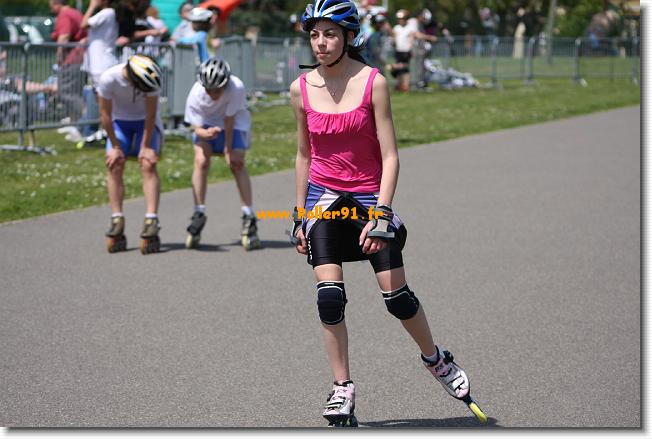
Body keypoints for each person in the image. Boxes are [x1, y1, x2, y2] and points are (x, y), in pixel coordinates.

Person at [289, 0, 487, 427]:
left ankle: (436, 359)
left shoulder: (373, 83)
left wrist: (381, 214)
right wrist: (299, 215)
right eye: (314, 35)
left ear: (348, 37)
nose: (321, 43)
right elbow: (304, 155)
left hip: (367, 198)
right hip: (323, 200)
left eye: (330, 34)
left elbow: (390, 155)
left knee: (397, 299)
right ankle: (342, 387)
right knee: (329, 298)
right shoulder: (300, 88)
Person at [183, 57, 260, 250]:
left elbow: (229, 119)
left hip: (235, 124)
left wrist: (228, 148)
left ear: (225, 84)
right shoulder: (196, 93)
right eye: (209, 90)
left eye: (217, 90)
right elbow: (194, 127)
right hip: (206, 124)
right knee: (201, 161)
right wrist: (204, 133)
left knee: (236, 163)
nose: (213, 94)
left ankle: (248, 214)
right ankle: (198, 212)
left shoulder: (236, 87)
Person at [97, 54, 164, 255]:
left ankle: (151, 219)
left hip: (145, 123)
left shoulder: (152, 79)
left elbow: (151, 114)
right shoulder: (109, 78)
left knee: (148, 163)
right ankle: (117, 218)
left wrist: (146, 146)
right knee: (115, 163)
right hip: (119, 124)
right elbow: (105, 115)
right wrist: (115, 146)